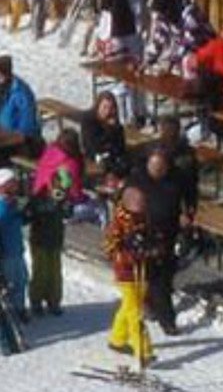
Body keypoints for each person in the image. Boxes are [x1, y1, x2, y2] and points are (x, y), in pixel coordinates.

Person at [132, 142, 194, 336]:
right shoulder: (138, 178)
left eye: (161, 168)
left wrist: (188, 214)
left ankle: (161, 313)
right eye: (154, 167)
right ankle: (158, 313)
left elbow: (190, 197)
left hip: (169, 232)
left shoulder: (178, 178)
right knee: (151, 278)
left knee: (164, 278)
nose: (157, 171)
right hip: (144, 234)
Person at [28, 128, 81, 316]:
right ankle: (37, 301)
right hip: (40, 237)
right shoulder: (40, 197)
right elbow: (29, 213)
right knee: (40, 271)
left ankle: (53, 300)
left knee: (54, 271)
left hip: (54, 237)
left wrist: (65, 204)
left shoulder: (61, 199)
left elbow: (67, 210)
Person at [103, 183, 153, 364]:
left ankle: (117, 339)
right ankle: (143, 350)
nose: (143, 206)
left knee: (130, 305)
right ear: (128, 203)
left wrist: (149, 246)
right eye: (139, 203)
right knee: (135, 312)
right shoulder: (118, 222)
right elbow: (110, 249)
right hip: (125, 272)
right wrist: (128, 250)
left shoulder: (143, 218)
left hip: (141, 269)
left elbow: (150, 238)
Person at [80, 90, 129, 178]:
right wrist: (110, 131)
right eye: (104, 107)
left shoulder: (114, 122)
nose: (107, 111)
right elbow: (93, 146)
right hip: (95, 157)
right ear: (98, 106)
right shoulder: (88, 120)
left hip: (111, 155)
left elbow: (121, 147)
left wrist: (115, 130)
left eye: (111, 108)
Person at [0, 169, 27, 328]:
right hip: (7, 253)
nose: (16, 186)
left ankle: (20, 308)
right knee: (11, 283)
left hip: (17, 250)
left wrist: (24, 216)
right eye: (12, 183)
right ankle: (12, 312)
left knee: (22, 280)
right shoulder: (2, 206)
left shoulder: (12, 204)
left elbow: (16, 222)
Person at [0, 55, 39, 142]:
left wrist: (8, 137)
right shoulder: (3, 87)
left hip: (21, 141)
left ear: (3, 75)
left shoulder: (22, 93)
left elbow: (27, 128)